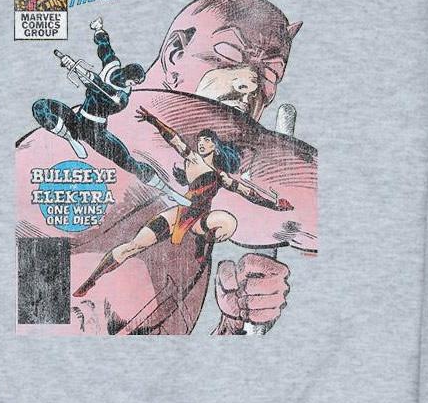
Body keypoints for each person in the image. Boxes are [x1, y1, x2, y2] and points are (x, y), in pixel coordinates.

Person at [73, 106, 292, 297]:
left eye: (207, 140)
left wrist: (274, 205)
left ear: (215, 146)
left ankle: (201, 246)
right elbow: (175, 140)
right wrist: (153, 121)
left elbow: (247, 192)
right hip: (180, 213)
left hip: (201, 219)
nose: (202, 143)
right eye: (200, 140)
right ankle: (91, 280)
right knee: (134, 246)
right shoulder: (192, 159)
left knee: (225, 221)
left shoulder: (222, 175)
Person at [32, 19, 186, 203]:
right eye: (134, 83)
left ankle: (169, 192)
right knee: (40, 107)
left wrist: (86, 75)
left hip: (96, 134)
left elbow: (100, 89)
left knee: (128, 162)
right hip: (78, 121)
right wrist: (99, 30)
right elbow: (106, 50)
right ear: (128, 77)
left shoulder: (121, 98)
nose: (132, 86)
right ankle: (70, 138)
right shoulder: (112, 66)